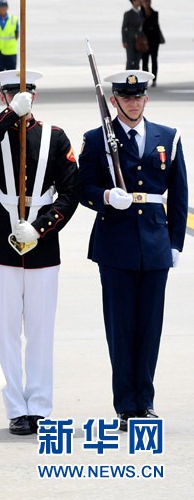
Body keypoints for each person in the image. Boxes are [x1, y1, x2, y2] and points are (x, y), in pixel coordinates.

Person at [0, 70, 80, 436]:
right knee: (6, 331)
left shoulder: (55, 136)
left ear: (36, 96)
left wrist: (40, 227)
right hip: (3, 239)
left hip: (42, 243)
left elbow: (70, 192)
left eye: (27, 94)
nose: (22, 100)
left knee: (40, 329)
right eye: (14, 95)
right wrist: (8, 116)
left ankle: (40, 405)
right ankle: (16, 408)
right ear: (3, 97)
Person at [78, 70, 187, 431]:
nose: (133, 103)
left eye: (138, 97)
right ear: (114, 101)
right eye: (126, 98)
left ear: (146, 99)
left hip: (155, 245)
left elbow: (179, 195)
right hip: (115, 245)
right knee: (121, 328)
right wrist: (107, 197)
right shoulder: (96, 139)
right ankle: (126, 404)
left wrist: (174, 243)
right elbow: (83, 188)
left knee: (149, 328)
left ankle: (146, 401)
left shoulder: (167, 138)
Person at [141, 0, 164, 86]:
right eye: (145, 1)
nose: (147, 3)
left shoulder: (155, 13)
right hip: (143, 41)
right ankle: (145, 79)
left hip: (154, 40)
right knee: (145, 61)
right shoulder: (139, 14)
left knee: (154, 60)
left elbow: (155, 26)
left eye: (148, 1)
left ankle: (154, 80)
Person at [121, 0, 144, 70]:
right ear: (133, 1)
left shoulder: (141, 13)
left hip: (139, 41)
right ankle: (127, 80)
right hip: (130, 40)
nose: (140, 0)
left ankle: (136, 80)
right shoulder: (128, 13)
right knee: (130, 60)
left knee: (137, 61)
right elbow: (124, 28)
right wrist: (124, 41)